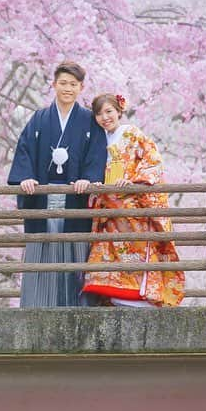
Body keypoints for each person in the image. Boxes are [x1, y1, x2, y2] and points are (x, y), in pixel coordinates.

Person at [7, 61, 106, 307]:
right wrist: (25, 177)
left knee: (74, 253)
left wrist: (89, 178)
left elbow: (97, 154)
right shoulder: (40, 119)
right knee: (41, 253)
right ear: (53, 84)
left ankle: (76, 309)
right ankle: (36, 308)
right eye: (63, 83)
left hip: (75, 199)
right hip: (43, 198)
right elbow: (25, 150)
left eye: (73, 84)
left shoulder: (88, 120)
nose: (67, 89)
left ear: (81, 88)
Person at [80, 93, 184, 307]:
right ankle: (114, 294)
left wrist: (133, 181)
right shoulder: (98, 139)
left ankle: (140, 295)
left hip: (132, 204)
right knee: (108, 253)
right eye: (99, 114)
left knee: (135, 252)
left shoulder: (132, 134)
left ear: (119, 111)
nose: (104, 117)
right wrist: (95, 183)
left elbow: (152, 161)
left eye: (109, 111)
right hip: (108, 208)